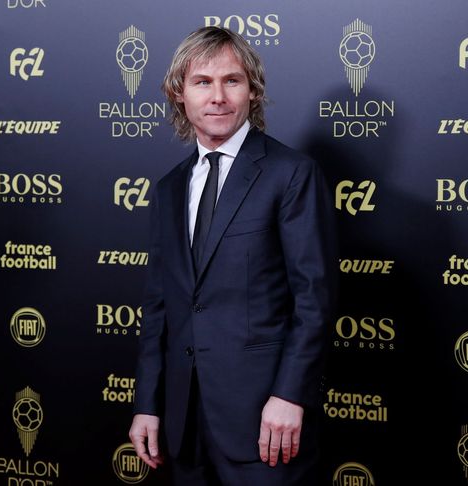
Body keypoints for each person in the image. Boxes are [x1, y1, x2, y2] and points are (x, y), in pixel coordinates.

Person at [128, 25, 337, 485]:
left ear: (252, 91)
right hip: (183, 424)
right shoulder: (168, 189)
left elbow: (313, 299)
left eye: (232, 80)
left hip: (266, 421)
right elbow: (159, 307)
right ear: (178, 94)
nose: (217, 96)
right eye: (202, 82)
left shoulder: (291, 174)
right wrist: (148, 402)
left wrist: (290, 396)